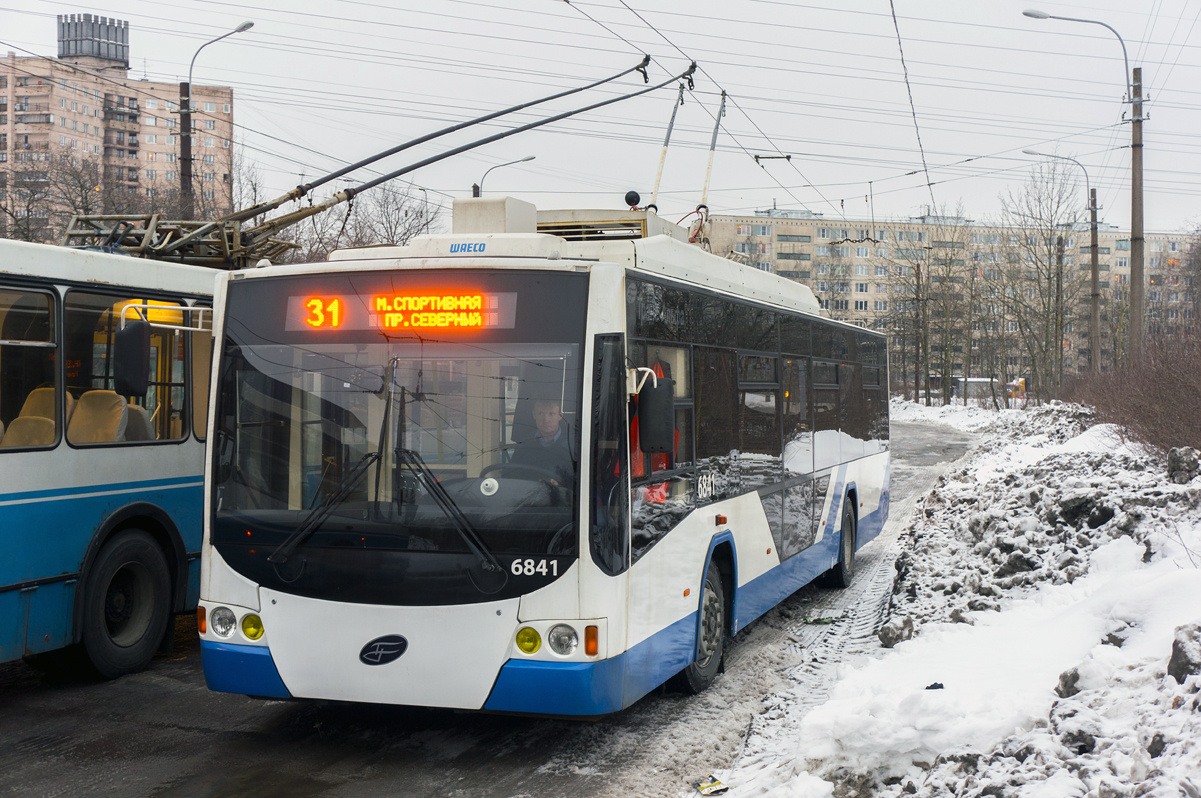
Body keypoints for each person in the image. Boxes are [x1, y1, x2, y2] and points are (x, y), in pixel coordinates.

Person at [509, 398, 574, 484]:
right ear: (534, 415)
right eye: (540, 413)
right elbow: (511, 474)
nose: (546, 420)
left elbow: (580, 480)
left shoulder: (571, 444)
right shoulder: (524, 443)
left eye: (551, 414)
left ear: (560, 416)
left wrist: (562, 484)